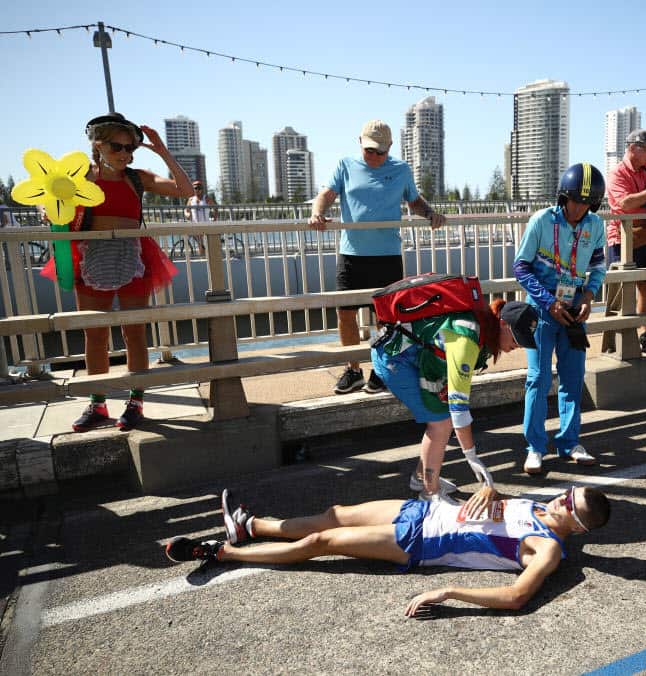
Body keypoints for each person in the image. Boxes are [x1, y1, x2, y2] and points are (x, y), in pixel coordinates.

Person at [165, 485, 611, 614]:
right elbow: (493, 499)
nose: (558, 499)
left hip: (418, 542)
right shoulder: (538, 506)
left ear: (576, 524)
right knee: (334, 512)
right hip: (422, 511)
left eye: (567, 504)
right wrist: (489, 489)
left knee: (320, 544)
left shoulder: (547, 548)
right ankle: (249, 526)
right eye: (565, 493)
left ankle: (219, 553)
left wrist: (450, 592)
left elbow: (517, 597)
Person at [53, 113, 193, 432]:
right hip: (93, 256)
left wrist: (161, 150)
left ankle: (135, 403)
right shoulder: (80, 178)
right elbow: (52, 204)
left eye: (131, 148)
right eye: (118, 146)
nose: (125, 154)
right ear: (97, 144)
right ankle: (97, 404)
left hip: (134, 256)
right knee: (95, 334)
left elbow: (185, 190)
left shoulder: (137, 177)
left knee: (135, 333)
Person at [309, 120, 446, 396]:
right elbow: (325, 195)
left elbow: (414, 201)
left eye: (380, 152)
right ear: (359, 141)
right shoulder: (345, 165)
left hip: (386, 256)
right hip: (351, 255)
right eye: (369, 150)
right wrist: (316, 213)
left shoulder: (400, 169)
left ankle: (381, 371)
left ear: (390, 148)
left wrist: (431, 213)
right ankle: (353, 370)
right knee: (345, 314)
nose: (374, 156)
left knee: (387, 319)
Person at [371, 298, 540, 500]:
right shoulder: (467, 340)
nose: (518, 345)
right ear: (503, 323)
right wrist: (471, 456)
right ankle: (430, 493)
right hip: (394, 359)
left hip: (408, 354)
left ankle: (420, 477)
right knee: (441, 423)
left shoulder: (482, 326)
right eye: (516, 337)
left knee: (442, 419)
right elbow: (458, 407)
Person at [514, 163, 607, 475]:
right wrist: (546, 300)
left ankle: (569, 442)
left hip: (574, 305)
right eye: (574, 201)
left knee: (573, 376)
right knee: (538, 379)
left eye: (586, 203)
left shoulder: (595, 225)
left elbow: (598, 266)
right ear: (563, 197)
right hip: (542, 306)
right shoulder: (542, 220)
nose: (578, 208)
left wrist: (589, 296)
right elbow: (521, 267)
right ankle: (535, 447)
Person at [606, 129, 646, 353]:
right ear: (634, 148)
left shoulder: (643, 172)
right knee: (625, 291)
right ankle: (622, 338)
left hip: (643, 234)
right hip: (623, 238)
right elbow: (625, 204)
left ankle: (645, 334)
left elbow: (643, 205)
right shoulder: (617, 173)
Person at [183, 180, 216, 256]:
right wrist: (187, 215)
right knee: (200, 244)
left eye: (199, 188)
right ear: (193, 189)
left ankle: (209, 256)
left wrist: (214, 219)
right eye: (195, 188)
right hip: (195, 225)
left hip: (206, 225)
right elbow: (186, 210)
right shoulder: (191, 199)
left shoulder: (206, 198)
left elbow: (215, 208)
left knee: (207, 244)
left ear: (202, 189)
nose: (197, 190)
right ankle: (202, 258)